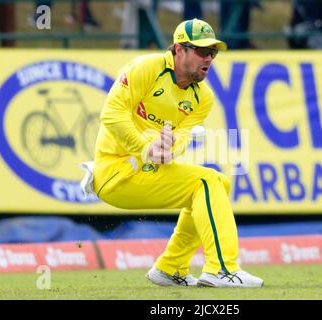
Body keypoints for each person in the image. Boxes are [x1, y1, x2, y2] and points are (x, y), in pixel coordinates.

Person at [91, 18, 263, 288]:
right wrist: (146, 148)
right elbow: (111, 115)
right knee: (206, 181)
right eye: (202, 51)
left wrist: (168, 150)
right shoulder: (147, 68)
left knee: (219, 183)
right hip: (116, 171)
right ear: (179, 49)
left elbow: (182, 136)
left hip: (144, 169)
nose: (209, 59)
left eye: (213, 53)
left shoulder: (202, 97)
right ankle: (223, 269)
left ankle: (171, 268)